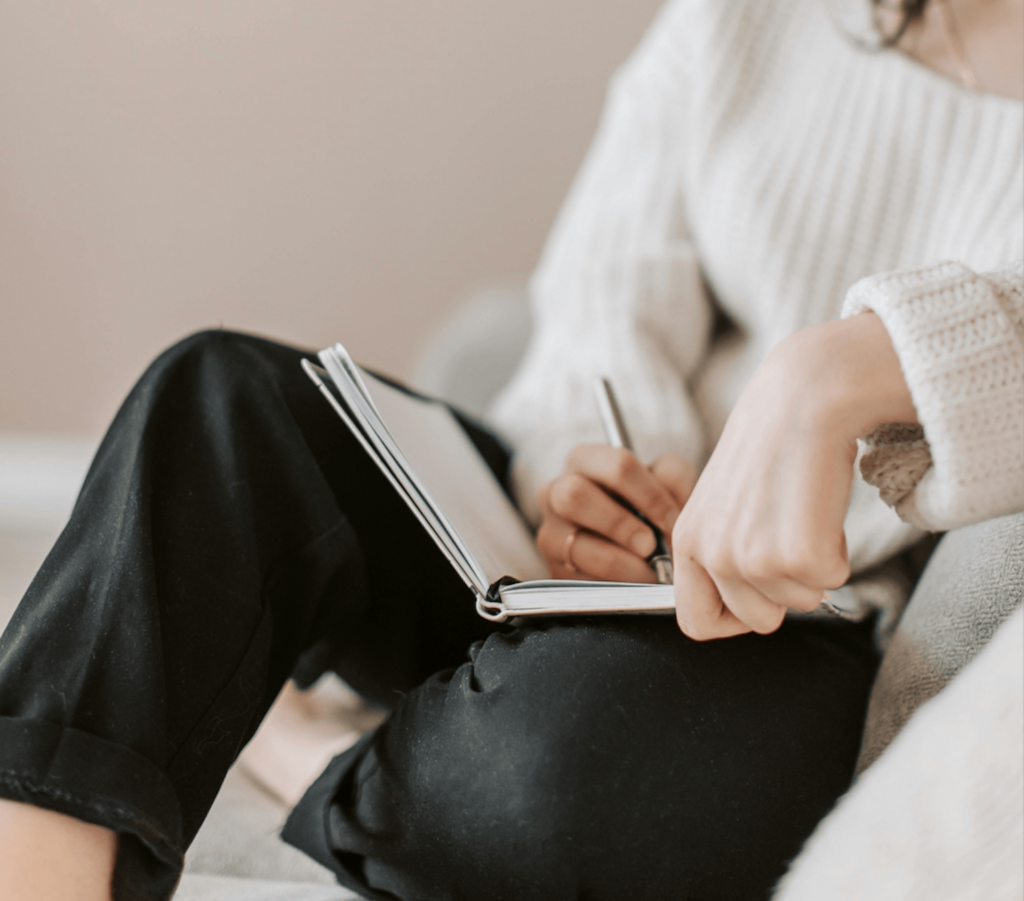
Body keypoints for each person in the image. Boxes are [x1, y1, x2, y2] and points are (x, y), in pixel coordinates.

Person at [0, 0, 1021, 899]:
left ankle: (319, 747)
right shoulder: (747, 16)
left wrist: (844, 369)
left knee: (541, 777)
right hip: (583, 556)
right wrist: (601, 483)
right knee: (219, 400)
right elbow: (601, 295)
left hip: (797, 632)